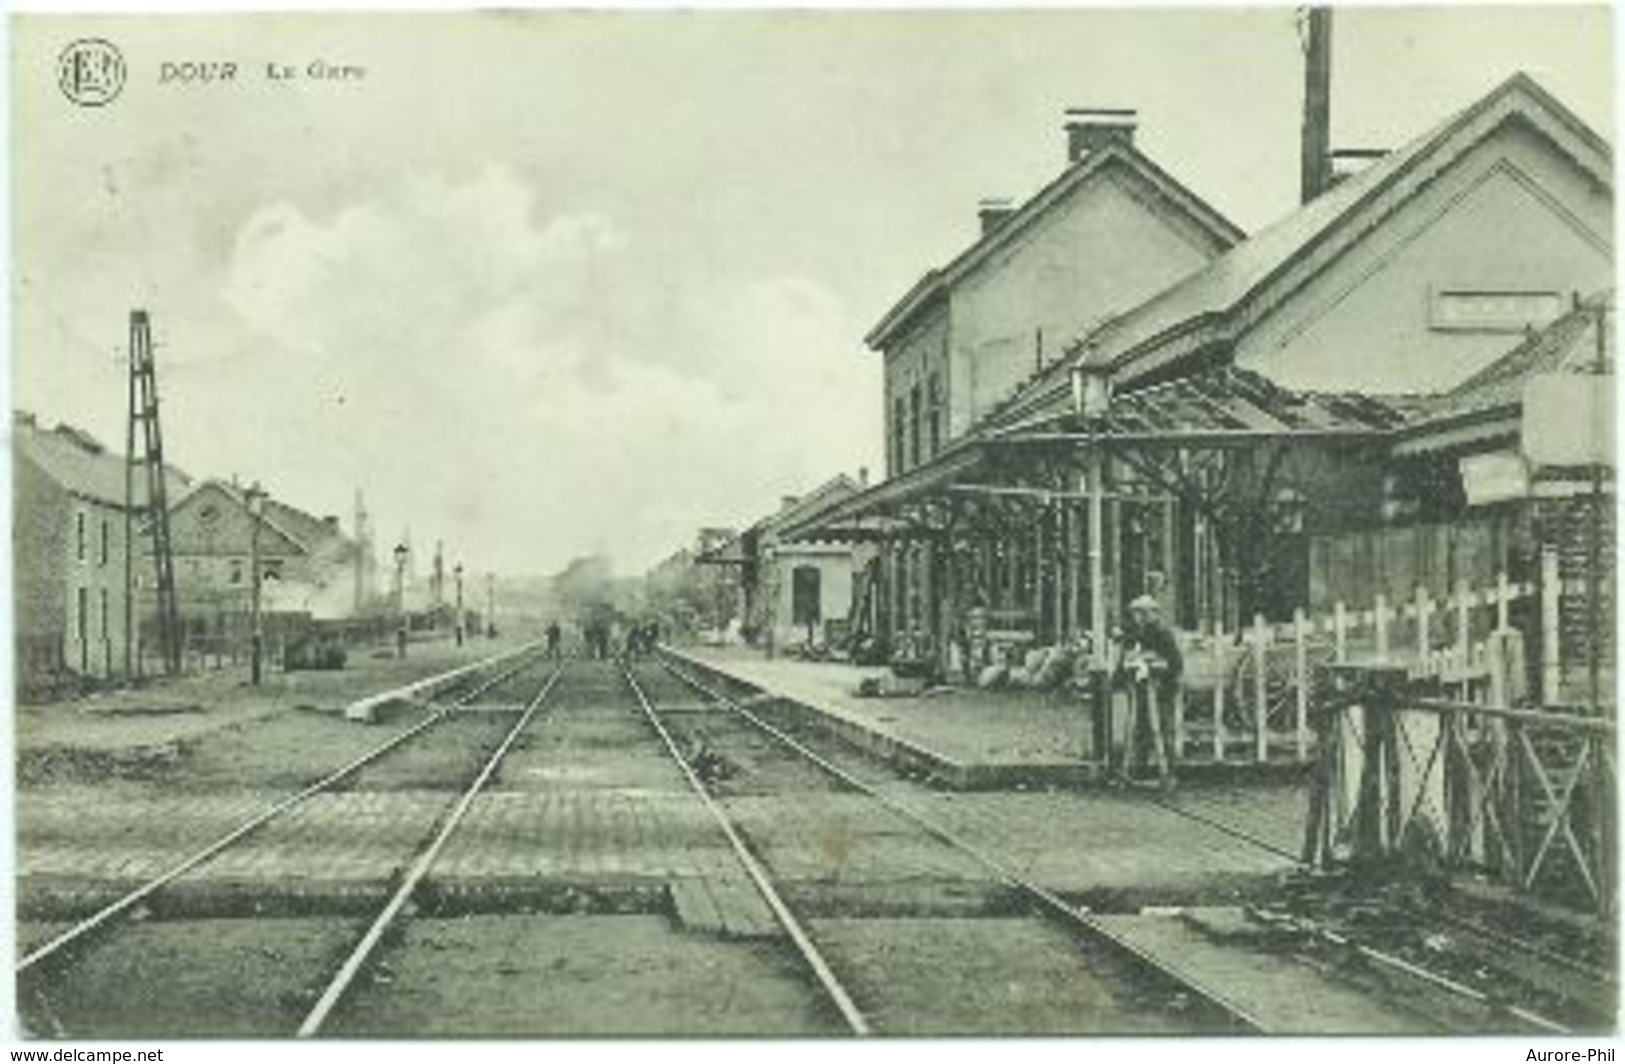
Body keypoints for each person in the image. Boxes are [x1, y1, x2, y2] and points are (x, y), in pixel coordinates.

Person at [1117, 595, 1183, 784]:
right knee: (1141, 728)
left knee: (1164, 727)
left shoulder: (1163, 634)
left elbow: (1175, 663)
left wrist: (1155, 665)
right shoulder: (1135, 634)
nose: (1140, 617)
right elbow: (1126, 657)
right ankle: (1141, 768)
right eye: (1137, 613)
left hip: (1162, 689)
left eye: (1144, 613)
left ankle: (1169, 770)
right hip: (1141, 688)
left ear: (1153, 614)